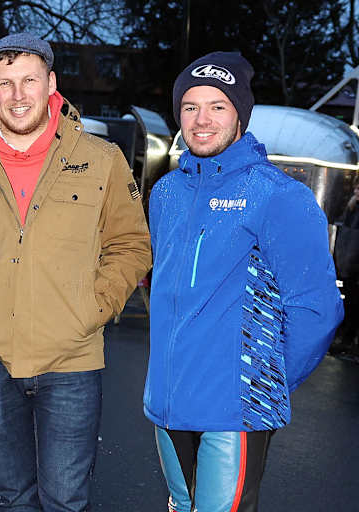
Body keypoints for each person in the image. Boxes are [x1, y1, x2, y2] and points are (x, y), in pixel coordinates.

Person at [0, 33, 152, 511]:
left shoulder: (102, 160)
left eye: (29, 80)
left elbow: (130, 245)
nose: (18, 94)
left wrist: (94, 308)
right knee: (13, 498)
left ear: (51, 84)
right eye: (5, 83)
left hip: (72, 360)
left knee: (65, 500)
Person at [144, 52, 344, 512]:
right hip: (166, 402)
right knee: (180, 507)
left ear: (239, 115)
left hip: (232, 412)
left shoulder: (276, 195)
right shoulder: (166, 193)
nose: (202, 120)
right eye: (190, 107)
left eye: (217, 106)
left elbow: (316, 309)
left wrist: (261, 381)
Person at [332, 178, 359, 356]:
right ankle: (345, 340)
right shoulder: (351, 209)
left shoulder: (352, 209)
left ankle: (348, 341)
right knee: (349, 303)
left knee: (353, 305)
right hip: (348, 266)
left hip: (352, 267)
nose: (356, 191)